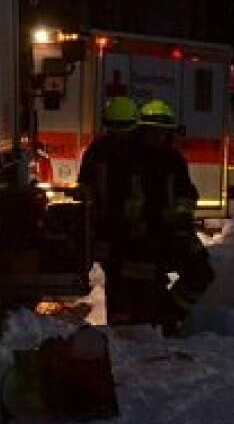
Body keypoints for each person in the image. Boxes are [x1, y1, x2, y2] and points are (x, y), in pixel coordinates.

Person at [111, 99, 216, 335]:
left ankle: (169, 316)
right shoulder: (129, 161)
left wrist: (181, 216)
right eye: (151, 131)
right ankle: (157, 322)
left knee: (202, 271)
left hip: (173, 232)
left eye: (161, 132)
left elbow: (186, 193)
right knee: (145, 282)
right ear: (142, 130)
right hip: (140, 234)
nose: (156, 137)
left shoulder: (174, 160)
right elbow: (123, 201)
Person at [76, 96, 140, 254]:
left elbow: (84, 184)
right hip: (129, 225)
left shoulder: (97, 149)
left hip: (106, 224)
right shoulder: (141, 150)